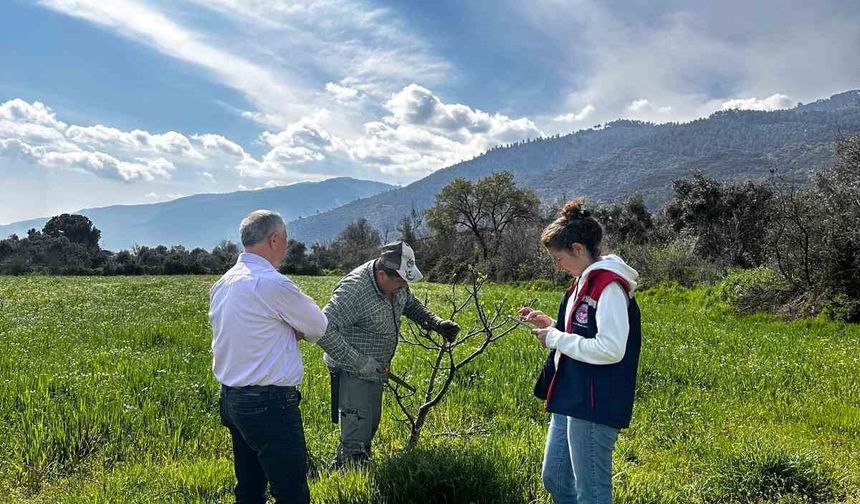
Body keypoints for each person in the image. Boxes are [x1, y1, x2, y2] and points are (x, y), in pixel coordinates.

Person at [209, 210, 374, 503]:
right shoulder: (272, 283)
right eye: (285, 240)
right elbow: (318, 326)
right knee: (291, 493)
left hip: (231, 399)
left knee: (249, 488)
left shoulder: (223, 283)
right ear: (274, 239)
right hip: (269, 404)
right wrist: (292, 327)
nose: (286, 247)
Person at [519, 198, 641, 504]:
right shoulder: (582, 283)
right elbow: (582, 331)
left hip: (595, 401)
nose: (557, 266)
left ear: (577, 249)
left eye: (558, 259)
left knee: (593, 493)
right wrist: (553, 325)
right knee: (556, 477)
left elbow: (611, 349)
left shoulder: (609, 286)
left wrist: (556, 339)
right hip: (571, 395)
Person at [318, 241, 461, 467]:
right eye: (400, 282)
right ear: (382, 274)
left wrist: (435, 323)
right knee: (357, 429)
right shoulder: (354, 290)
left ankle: (360, 463)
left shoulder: (397, 284)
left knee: (370, 422)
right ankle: (348, 473)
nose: (403, 286)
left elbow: (409, 304)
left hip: (376, 369)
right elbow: (322, 329)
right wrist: (359, 362)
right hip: (351, 370)